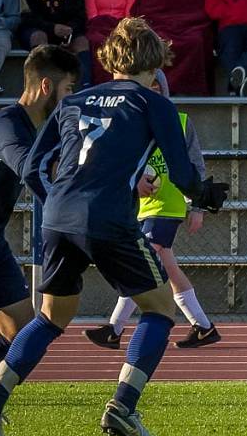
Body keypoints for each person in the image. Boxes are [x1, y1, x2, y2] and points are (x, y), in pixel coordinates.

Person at [0, 17, 228, 436]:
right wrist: (206, 194)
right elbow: (183, 175)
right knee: (161, 309)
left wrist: (58, 202)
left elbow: (35, 165)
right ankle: (122, 408)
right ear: (157, 60)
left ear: (111, 58)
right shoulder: (154, 104)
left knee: (50, 318)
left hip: (56, 217)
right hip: (109, 218)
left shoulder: (78, 101)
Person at [83, 70, 221, 351]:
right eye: (151, 86)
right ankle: (203, 327)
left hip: (168, 204)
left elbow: (195, 164)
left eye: (159, 87)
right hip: (143, 206)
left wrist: (197, 206)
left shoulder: (179, 121)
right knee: (166, 267)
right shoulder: (133, 120)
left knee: (145, 259)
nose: (155, 91)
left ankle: (115, 327)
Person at [0, 46, 79, 377]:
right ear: (46, 87)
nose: (71, 99)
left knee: (19, 331)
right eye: (69, 90)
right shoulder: (6, 125)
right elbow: (31, 169)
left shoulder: (44, 130)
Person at [132, 0, 215, 95]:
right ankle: (160, 88)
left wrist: (187, 22)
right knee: (158, 41)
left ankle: (191, 91)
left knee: (196, 41)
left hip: (192, 28)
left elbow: (206, 12)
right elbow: (144, 12)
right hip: (162, 27)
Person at [18, 0, 91, 88]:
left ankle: (86, 87)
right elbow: (28, 17)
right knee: (39, 37)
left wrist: (69, 31)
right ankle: (42, 86)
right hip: (37, 31)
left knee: (82, 42)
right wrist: (52, 28)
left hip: (67, 32)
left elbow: (80, 15)